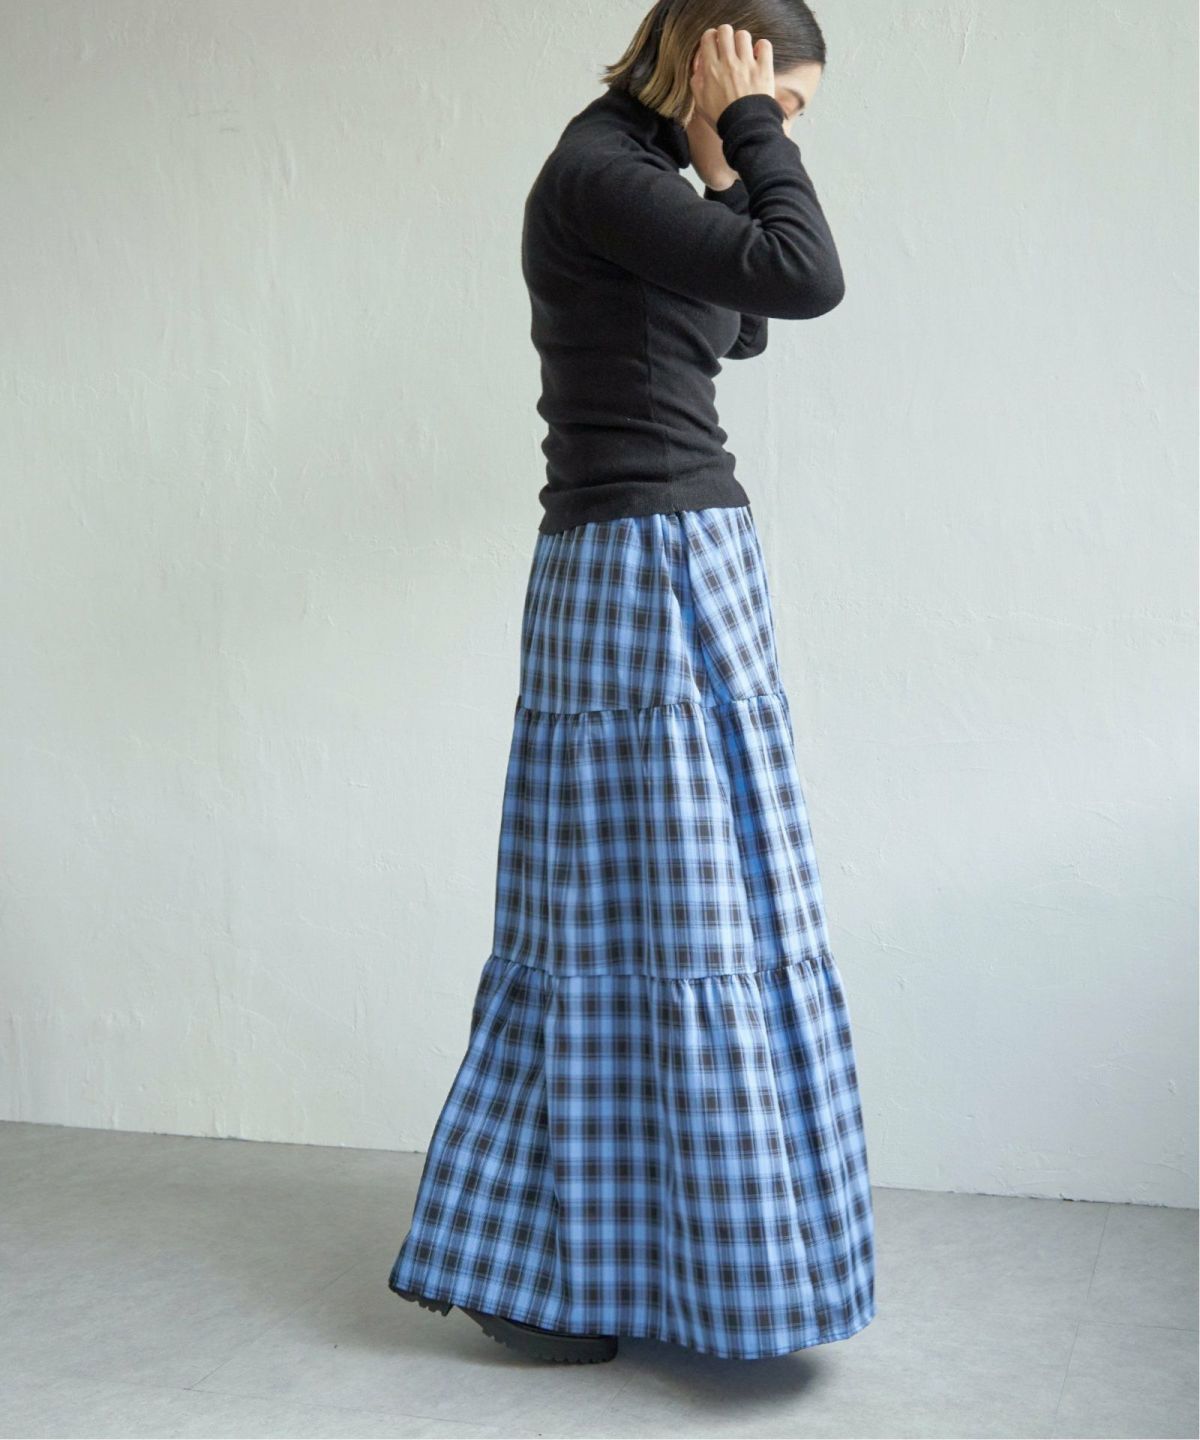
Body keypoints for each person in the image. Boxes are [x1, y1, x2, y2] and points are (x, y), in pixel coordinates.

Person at [388, 2, 876, 1364]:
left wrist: (723, 162)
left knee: (651, 922)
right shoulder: (602, 173)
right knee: (660, 922)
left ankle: (599, 1267)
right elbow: (807, 274)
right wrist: (753, 133)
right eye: (785, 94)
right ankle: (545, 1272)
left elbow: (742, 327)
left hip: (659, 555)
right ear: (720, 53)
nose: (787, 128)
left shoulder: (638, 178)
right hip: (646, 566)